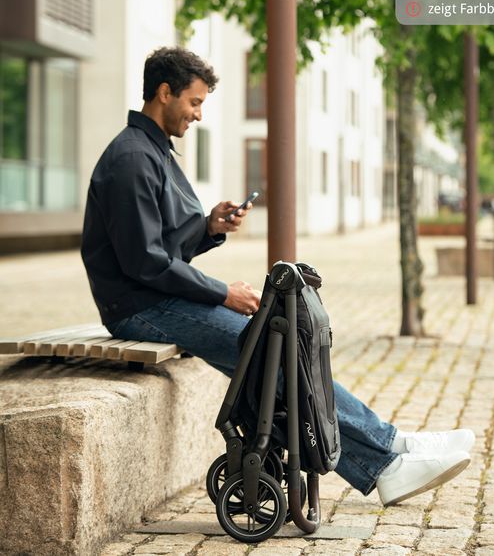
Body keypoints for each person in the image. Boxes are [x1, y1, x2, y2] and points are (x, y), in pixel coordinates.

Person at [81, 47, 474, 507]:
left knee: (281, 348)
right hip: (139, 309)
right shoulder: (132, 158)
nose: (199, 115)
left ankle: (391, 448)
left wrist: (209, 225)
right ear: (164, 93)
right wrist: (223, 293)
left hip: (155, 299)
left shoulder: (154, 151)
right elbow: (145, 264)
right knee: (273, 351)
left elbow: (162, 248)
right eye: (194, 102)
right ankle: (387, 458)